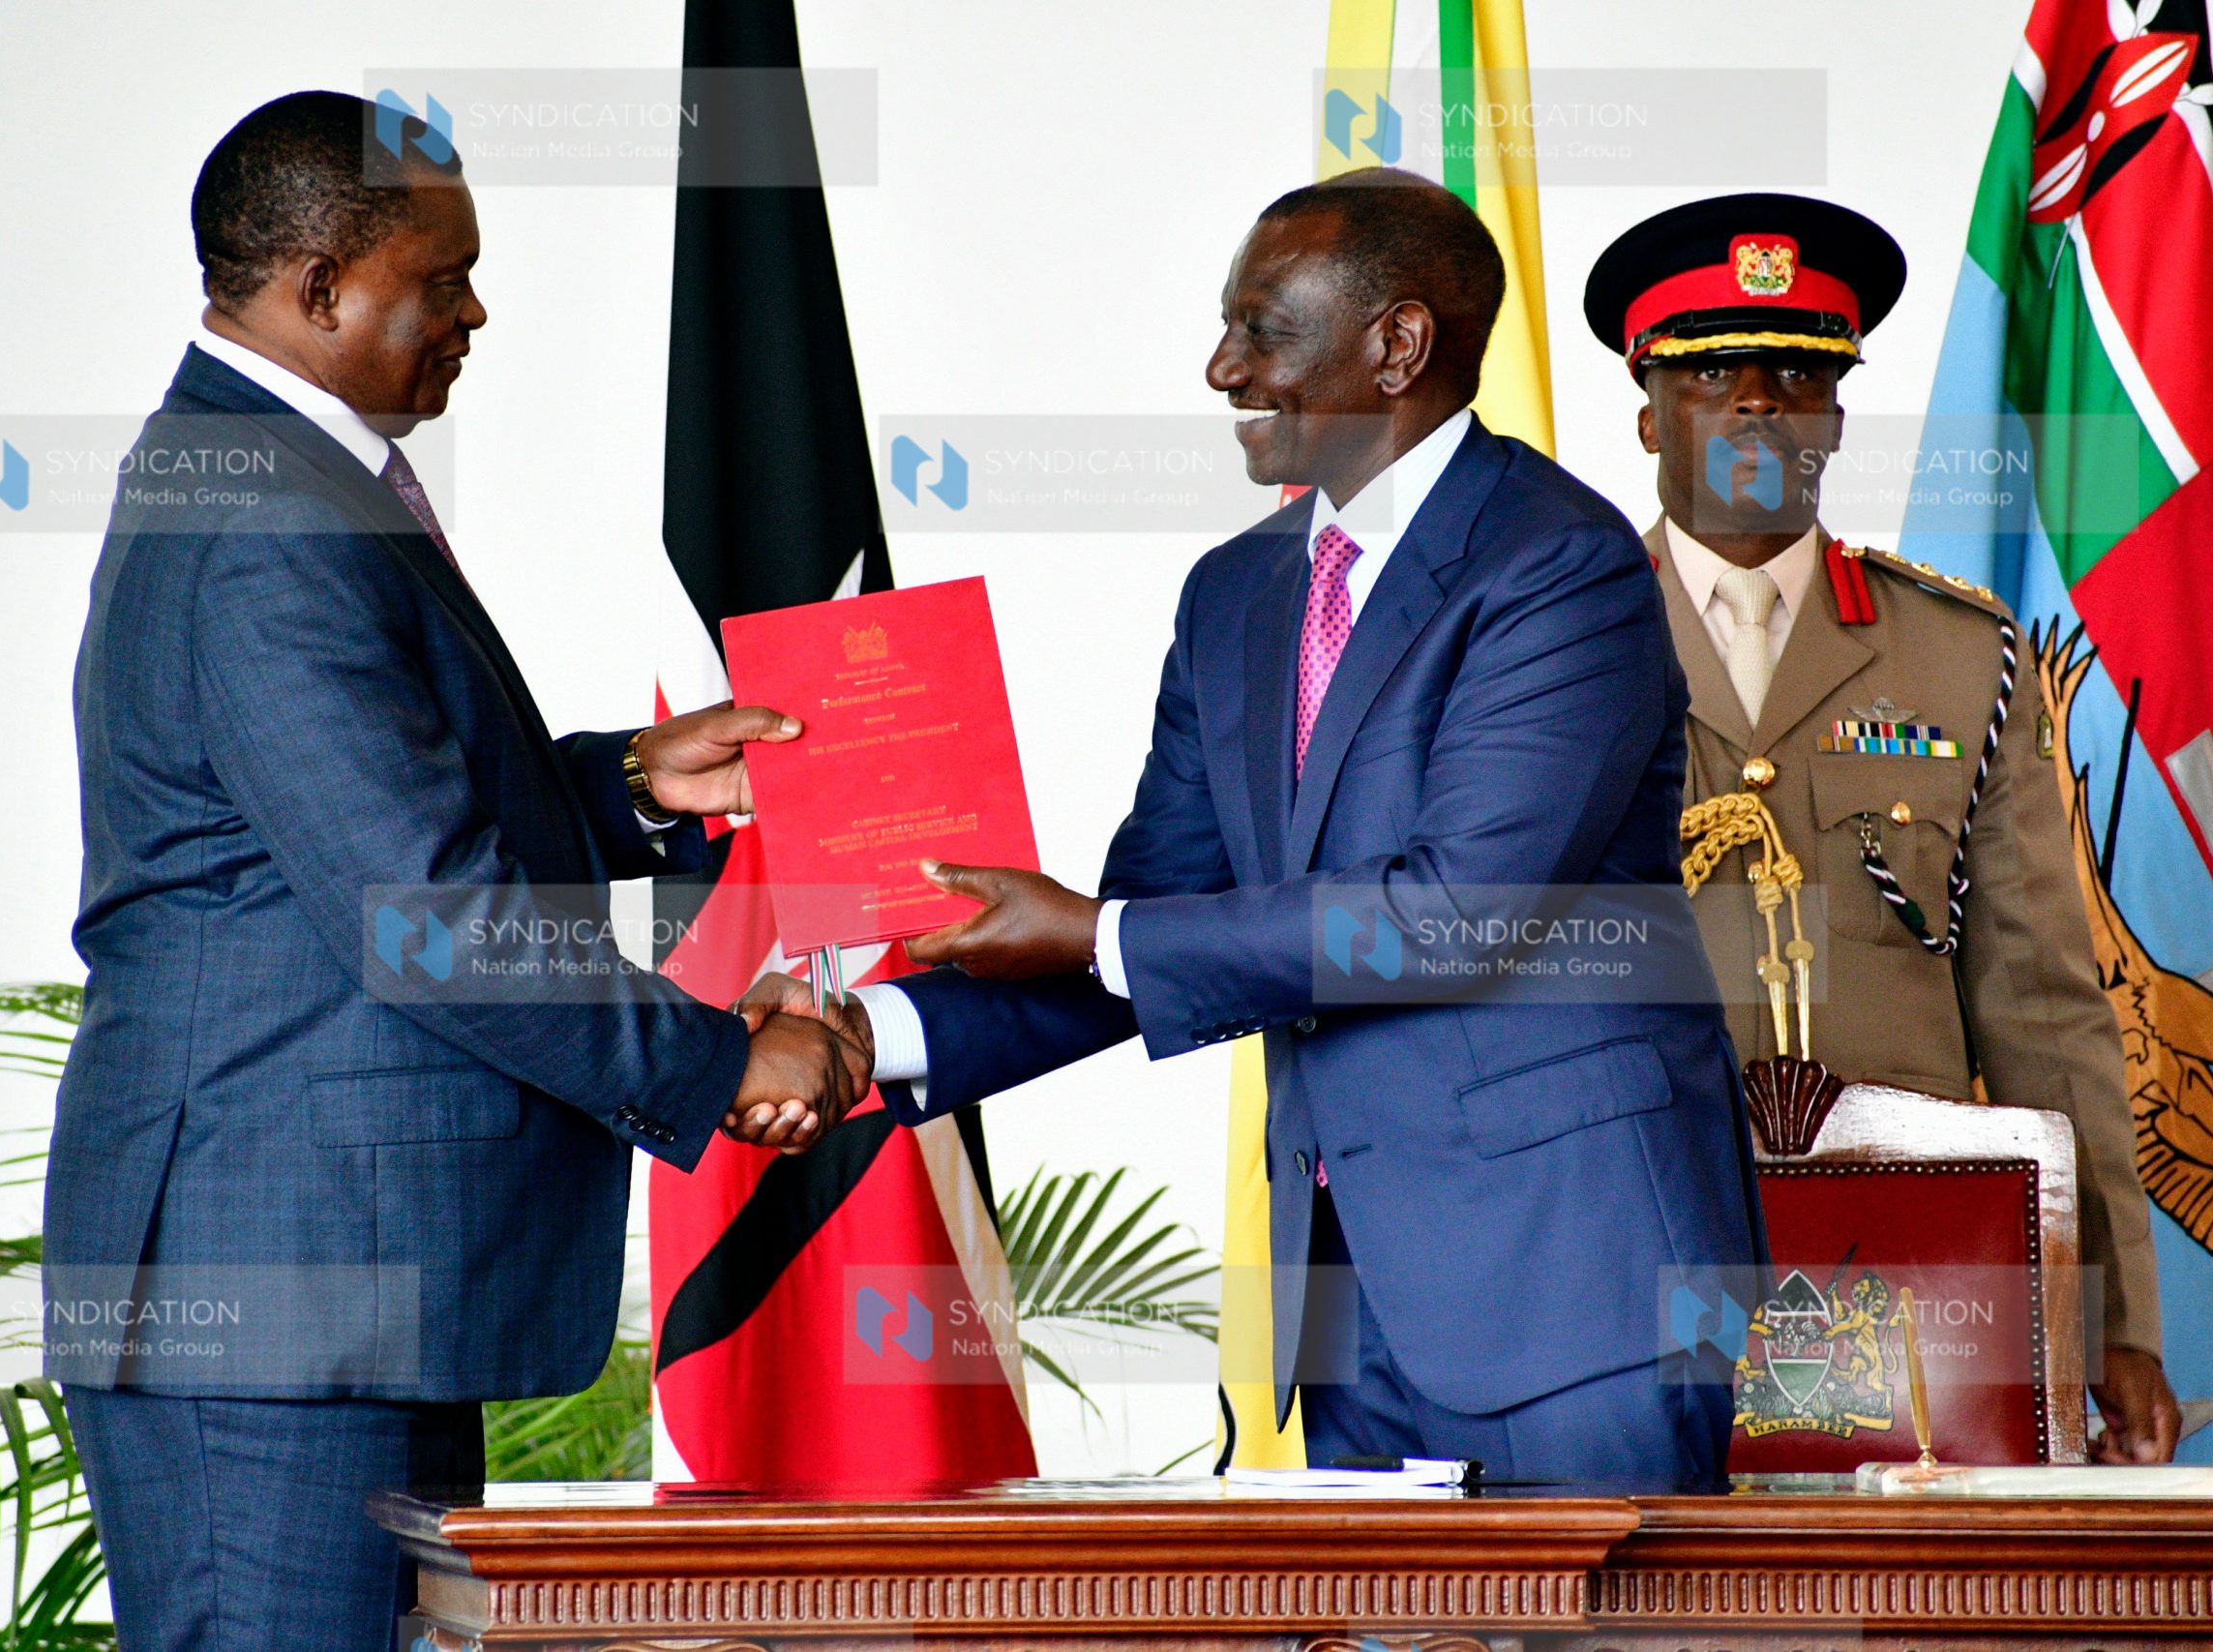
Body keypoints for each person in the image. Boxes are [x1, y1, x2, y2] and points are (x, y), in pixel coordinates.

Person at [754, 168, 1767, 1484]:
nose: (1223, 369)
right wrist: (869, 1033)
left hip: (1574, 1286)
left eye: (1262, 330)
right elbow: (1156, 920)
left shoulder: (1558, 563)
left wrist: (1102, 933)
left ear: (1398, 345)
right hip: (1348, 1302)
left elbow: (1454, 913)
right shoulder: (1234, 593)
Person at [46, 92, 865, 1652]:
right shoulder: (267, 518)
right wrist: (721, 1058)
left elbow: (358, 813)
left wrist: (631, 780)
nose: (475, 313)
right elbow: (427, 916)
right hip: (282, 1300)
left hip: (338, 1290)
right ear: (319, 290)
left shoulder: (273, 473)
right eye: (444, 279)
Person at [1580, 191, 2179, 1462]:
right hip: (1619, 1253)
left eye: (1798, 377)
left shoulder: (1960, 657)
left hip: (1905, 1273)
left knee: (1886, 1567)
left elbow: (2042, 1009)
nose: (1758, 405)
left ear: (1837, 419)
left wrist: (2116, 1320)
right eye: (1712, 376)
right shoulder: (1550, 646)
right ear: (1647, 412)